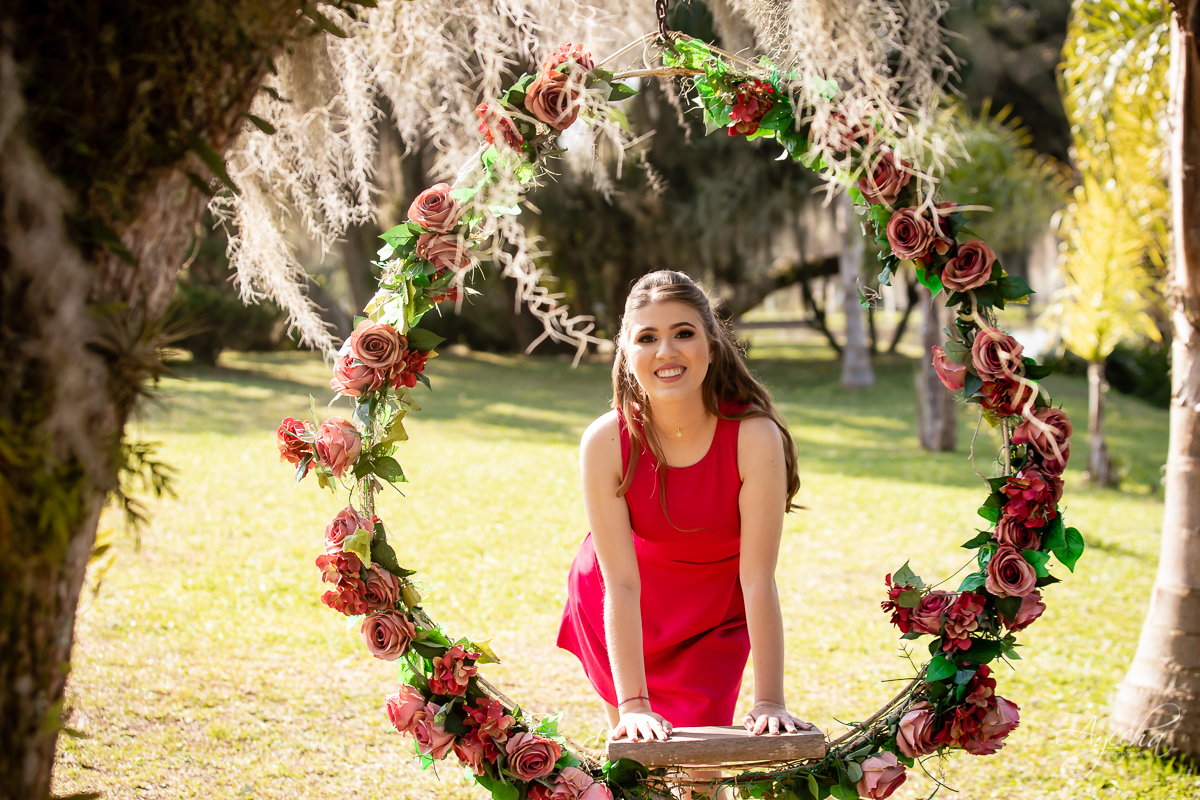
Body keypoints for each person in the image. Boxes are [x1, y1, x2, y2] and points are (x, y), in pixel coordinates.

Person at [556, 270, 814, 794]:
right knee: (643, 768)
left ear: (712, 346)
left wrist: (769, 701)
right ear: (626, 353)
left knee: (701, 779)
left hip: (713, 615)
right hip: (621, 602)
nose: (665, 350)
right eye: (646, 337)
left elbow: (758, 579)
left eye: (683, 332)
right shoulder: (605, 441)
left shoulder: (753, 437)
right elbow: (620, 584)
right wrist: (632, 705)